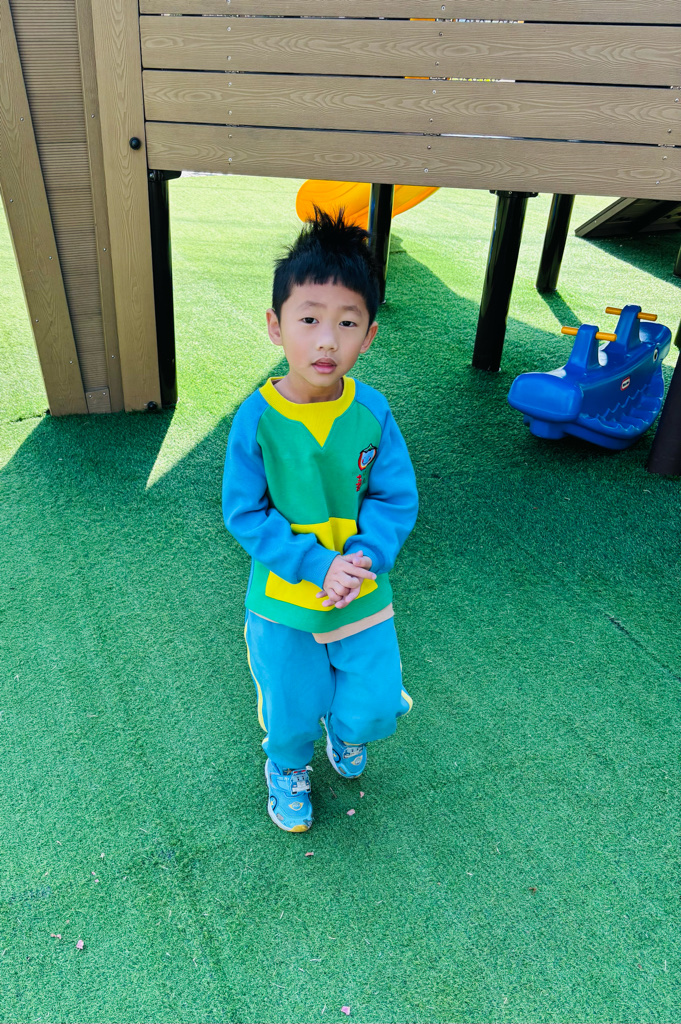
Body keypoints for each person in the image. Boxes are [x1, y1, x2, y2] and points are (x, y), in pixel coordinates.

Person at [222, 208, 418, 832]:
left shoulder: (373, 411)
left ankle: (347, 731)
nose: (327, 341)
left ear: (370, 335)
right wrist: (315, 564)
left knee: (376, 704)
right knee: (292, 707)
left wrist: (363, 557)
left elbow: (394, 497)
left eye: (347, 323)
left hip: (360, 587)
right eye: (309, 320)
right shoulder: (257, 419)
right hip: (285, 598)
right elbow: (245, 513)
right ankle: (286, 767)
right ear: (276, 326)